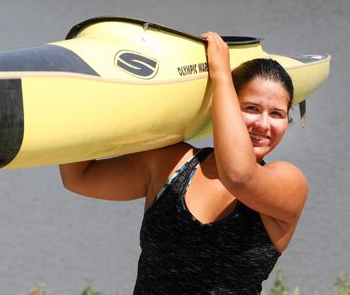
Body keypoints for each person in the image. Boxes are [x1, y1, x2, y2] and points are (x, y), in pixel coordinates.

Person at [59, 31, 308, 294]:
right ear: (227, 108)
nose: (263, 124)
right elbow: (79, 176)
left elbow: (238, 176)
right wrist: (81, 95)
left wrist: (221, 75)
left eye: (277, 114)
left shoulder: (288, 184)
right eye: (251, 108)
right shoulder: (172, 164)